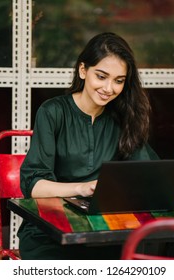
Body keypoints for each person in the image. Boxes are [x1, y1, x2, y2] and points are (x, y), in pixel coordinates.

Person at [18, 32, 159, 260]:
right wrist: (82, 188)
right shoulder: (53, 112)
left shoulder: (123, 119)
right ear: (83, 70)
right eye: (101, 76)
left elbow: (147, 174)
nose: (109, 88)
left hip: (106, 232)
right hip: (49, 233)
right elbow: (33, 186)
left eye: (119, 80)